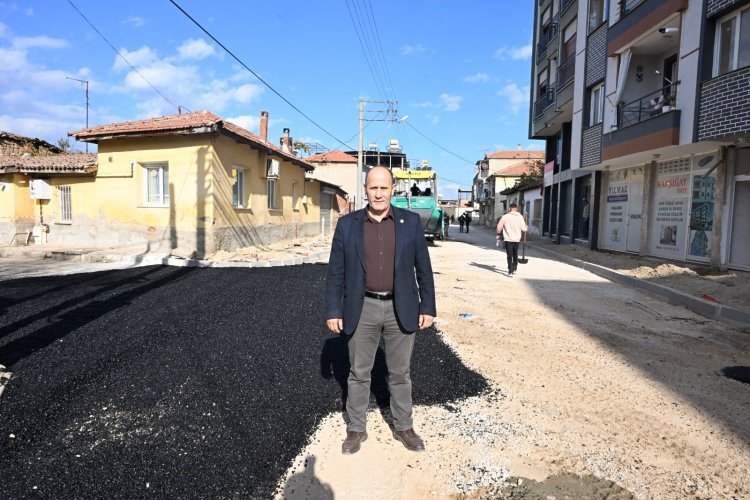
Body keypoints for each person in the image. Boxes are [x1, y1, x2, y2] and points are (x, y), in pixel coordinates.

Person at [325, 166, 436, 455]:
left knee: (400, 373)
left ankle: (404, 426)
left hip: (402, 307)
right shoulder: (347, 225)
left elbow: (423, 269)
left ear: (393, 189)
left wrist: (428, 306)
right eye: (373, 188)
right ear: (365, 189)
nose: (378, 193)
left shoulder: (410, 222)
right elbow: (336, 272)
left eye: (383, 188)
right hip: (361, 307)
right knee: (359, 372)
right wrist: (334, 310)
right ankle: (356, 428)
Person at [496, 203, 528, 276]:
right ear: (516, 209)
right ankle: (515, 268)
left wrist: (498, 234)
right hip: (516, 239)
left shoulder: (505, 217)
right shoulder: (520, 217)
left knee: (509, 255)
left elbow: (499, 227)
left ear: (509, 209)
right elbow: (523, 229)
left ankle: (510, 271)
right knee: (515, 253)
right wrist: (526, 227)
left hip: (508, 239)